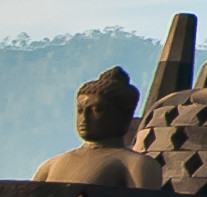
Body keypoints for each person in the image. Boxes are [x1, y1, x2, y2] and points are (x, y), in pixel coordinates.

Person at [33, 67, 164, 188]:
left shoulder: (135, 164)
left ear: (123, 115)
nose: (84, 118)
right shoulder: (50, 166)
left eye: (97, 110)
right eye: (80, 110)